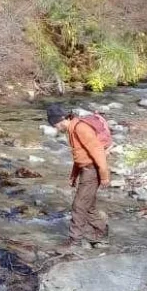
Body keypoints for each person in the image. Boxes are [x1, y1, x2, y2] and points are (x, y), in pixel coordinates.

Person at [47, 105, 110, 251]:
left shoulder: (80, 128)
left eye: (55, 125)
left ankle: (74, 241)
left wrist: (104, 175)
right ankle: (100, 234)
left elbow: (98, 151)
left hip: (93, 170)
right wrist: (73, 175)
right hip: (86, 169)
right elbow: (79, 155)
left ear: (60, 120)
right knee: (89, 206)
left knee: (79, 205)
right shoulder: (71, 129)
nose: (56, 128)